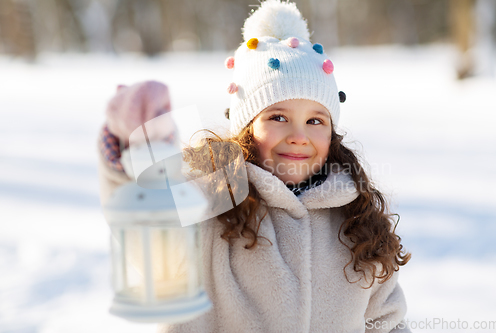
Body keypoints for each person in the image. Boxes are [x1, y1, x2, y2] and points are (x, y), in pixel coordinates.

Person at [97, 1, 411, 332]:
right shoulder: (213, 200)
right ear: (246, 128)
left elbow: (386, 322)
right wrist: (128, 150)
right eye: (278, 117)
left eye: (315, 120)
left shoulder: (355, 222)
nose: (298, 136)